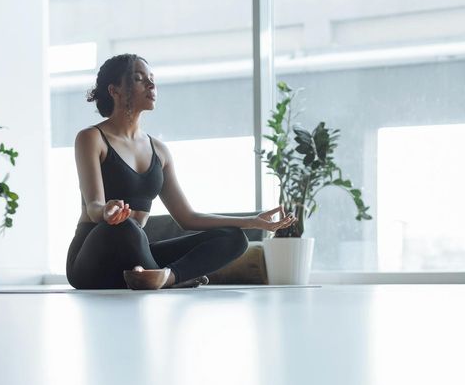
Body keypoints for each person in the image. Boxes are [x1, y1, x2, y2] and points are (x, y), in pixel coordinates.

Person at [66, 53, 297, 290]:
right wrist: (106, 211)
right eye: (138, 78)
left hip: (136, 258)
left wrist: (252, 222)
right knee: (126, 227)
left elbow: (188, 218)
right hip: (92, 261)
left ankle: (167, 277)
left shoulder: (160, 151)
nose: (151, 84)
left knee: (234, 238)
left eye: (152, 78)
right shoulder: (92, 138)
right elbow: (93, 207)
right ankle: (161, 277)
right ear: (114, 90)